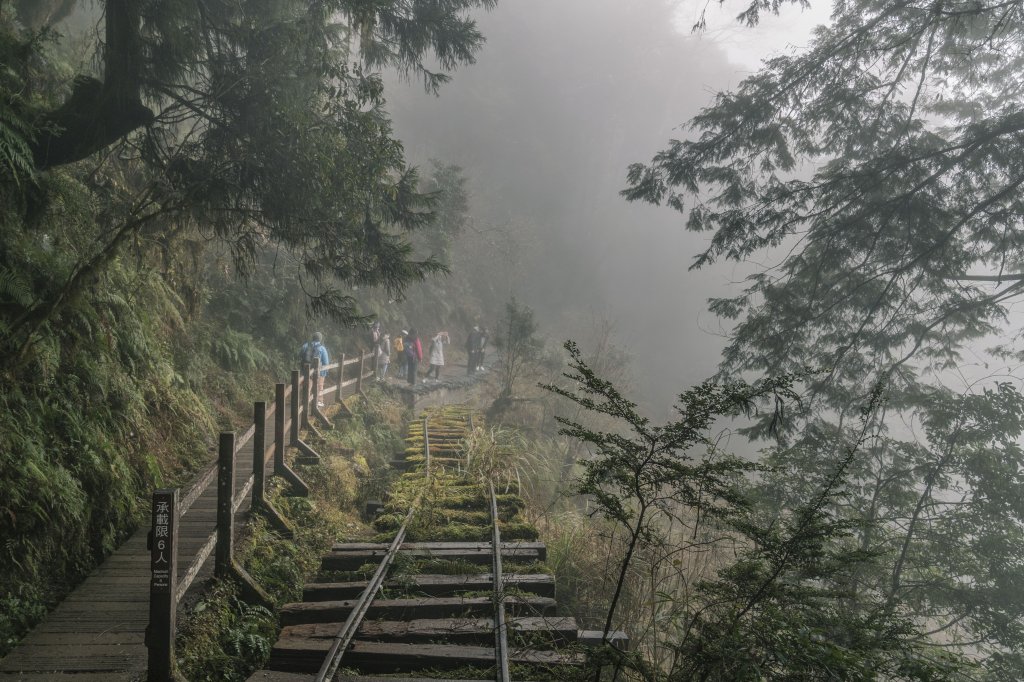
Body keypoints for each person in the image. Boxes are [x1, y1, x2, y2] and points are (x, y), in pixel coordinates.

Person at [298, 332, 330, 406]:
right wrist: (324, 372)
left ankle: (305, 401)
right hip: (318, 372)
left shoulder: (305, 346)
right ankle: (319, 401)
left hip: (306, 371)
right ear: (320, 339)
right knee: (320, 385)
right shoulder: (322, 348)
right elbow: (326, 362)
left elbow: (300, 356)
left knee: (307, 386)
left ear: (313, 337)